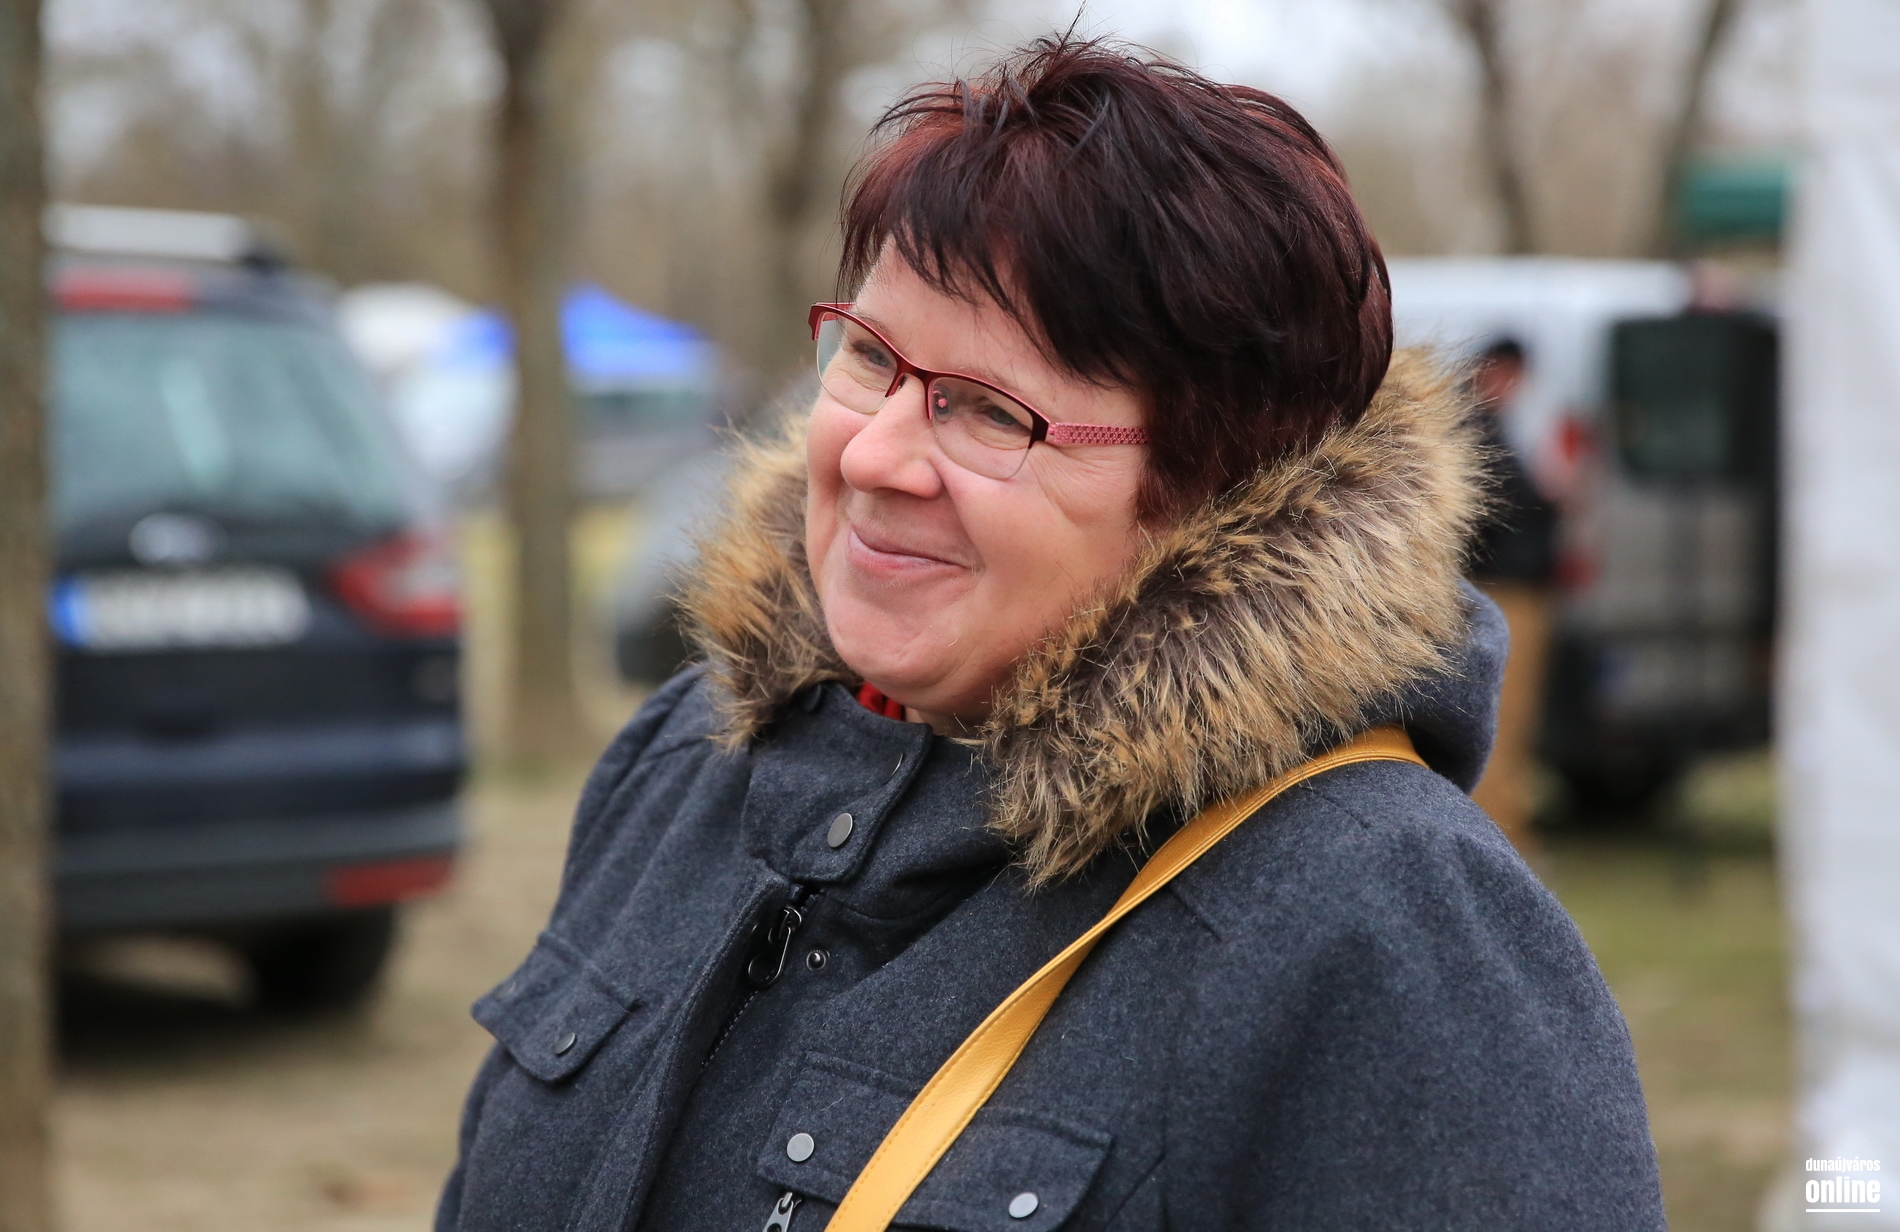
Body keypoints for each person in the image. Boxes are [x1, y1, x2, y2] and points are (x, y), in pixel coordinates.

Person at [438, 36, 1662, 1232]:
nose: (873, 455)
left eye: (989, 411)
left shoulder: (1387, 931)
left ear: (1207, 491)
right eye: (868, 356)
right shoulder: (685, 755)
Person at [1464, 338, 1561, 853]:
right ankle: (1500, 830)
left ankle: (1506, 825)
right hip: (1506, 591)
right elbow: (1497, 517)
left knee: (1513, 719)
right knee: (1505, 716)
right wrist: (1552, 498)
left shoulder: (1486, 426)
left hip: (1510, 589)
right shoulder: (1478, 429)